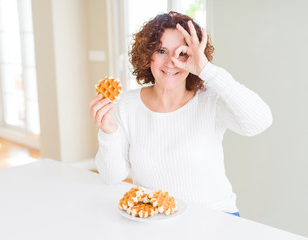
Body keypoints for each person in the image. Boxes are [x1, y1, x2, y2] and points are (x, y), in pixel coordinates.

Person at [89, 11, 272, 216]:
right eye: (161, 51)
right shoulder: (127, 105)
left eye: (182, 53)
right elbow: (112, 176)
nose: (171, 62)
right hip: (154, 219)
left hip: (215, 218)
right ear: (148, 54)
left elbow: (260, 121)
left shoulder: (211, 100)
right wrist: (108, 132)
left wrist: (206, 70)